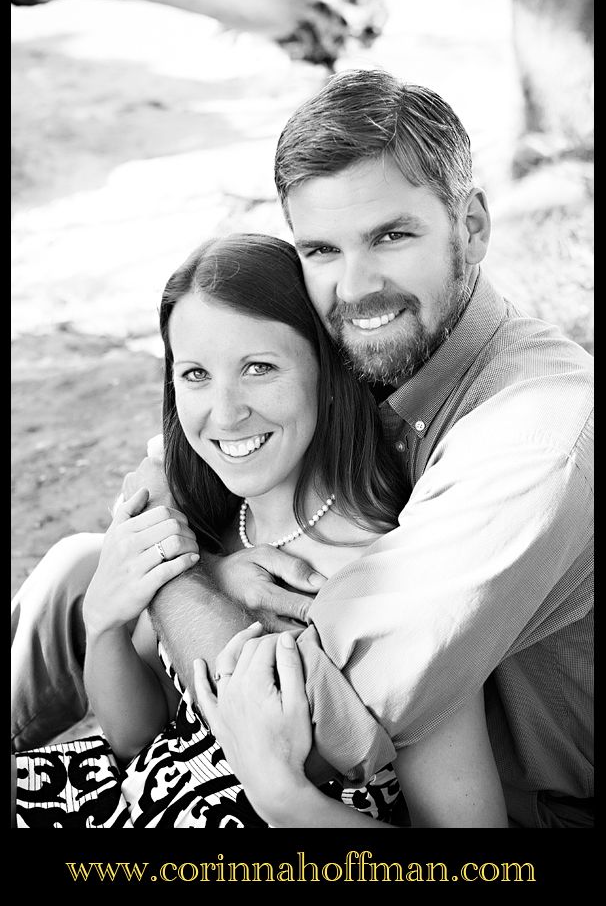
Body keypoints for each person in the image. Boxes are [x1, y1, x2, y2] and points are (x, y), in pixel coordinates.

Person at [12, 69, 593, 828]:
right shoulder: (361, 332)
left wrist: (170, 574)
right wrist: (204, 564)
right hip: (273, 704)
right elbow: (184, 455)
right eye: (321, 247)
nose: (357, 285)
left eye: (392, 234)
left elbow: (322, 721)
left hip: (508, 794)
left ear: (473, 227)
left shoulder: (540, 433)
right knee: (79, 571)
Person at [13, 232, 508, 828]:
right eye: (195, 374)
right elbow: (137, 741)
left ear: (330, 371)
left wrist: (288, 801)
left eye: (259, 368)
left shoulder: (394, 581)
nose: (223, 413)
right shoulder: (208, 519)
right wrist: (106, 623)